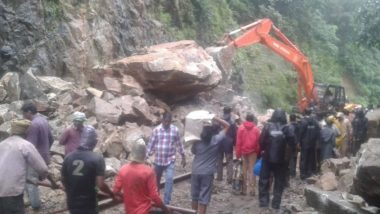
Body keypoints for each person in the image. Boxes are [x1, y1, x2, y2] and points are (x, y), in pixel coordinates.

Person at [61, 126, 114, 214]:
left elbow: (63, 180)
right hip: (89, 203)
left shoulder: (68, 157)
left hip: (72, 202)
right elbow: (100, 185)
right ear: (94, 142)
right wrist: (111, 193)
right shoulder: (97, 159)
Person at [0, 120, 49, 214]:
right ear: (26, 133)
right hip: (12, 191)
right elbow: (42, 168)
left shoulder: (1, 144)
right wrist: (43, 176)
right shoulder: (25, 145)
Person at [113, 139, 171, 214]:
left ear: (132, 153)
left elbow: (115, 191)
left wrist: (127, 197)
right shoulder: (149, 171)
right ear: (144, 154)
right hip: (144, 211)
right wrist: (165, 209)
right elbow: (154, 196)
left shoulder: (123, 169)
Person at [191, 116, 230, 214]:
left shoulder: (197, 142)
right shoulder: (216, 140)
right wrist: (216, 118)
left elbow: (193, 151)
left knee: (194, 197)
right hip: (207, 173)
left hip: (195, 171)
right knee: (203, 199)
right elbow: (227, 126)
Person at [21, 102, 56, 210]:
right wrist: (46, 150)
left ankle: (35, 206)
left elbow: (30, 146)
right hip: (44, 156)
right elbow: (51, 138)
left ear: (29, 112)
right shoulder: (43, 120)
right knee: (41, 177)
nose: (23, 116)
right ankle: (53, 184)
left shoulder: (33, 125)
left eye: (23, 113)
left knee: (31, 181)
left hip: (35, 159)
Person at [146, 112, 186, 205]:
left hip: (170, 160)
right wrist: (146, 156)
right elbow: (150, 144)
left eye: (169, 121)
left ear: (171, 121)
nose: (167, 123)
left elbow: (179, 144)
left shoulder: (175, 130)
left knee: (169, 179)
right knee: (156, 182)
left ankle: (166, 202)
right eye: (165, 121)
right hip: (158, 160)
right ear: (162, 120)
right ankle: (156, 200)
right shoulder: (156, 130)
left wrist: (183, 156)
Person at [258, 108, 292, 209]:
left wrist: (265, 149)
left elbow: (261, 141)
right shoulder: (287, 128)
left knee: (264, 179)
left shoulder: (267, 126)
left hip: (267, 157)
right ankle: (276, 204)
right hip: (282, 159)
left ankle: (263, 202)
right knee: (279, 181)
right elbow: (293, 142)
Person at [235, 113, 261, 196]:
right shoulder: (256, 129)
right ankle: (252, 190)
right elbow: (258, 143)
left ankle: (244, 189)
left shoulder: (241, 128)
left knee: (244, 169)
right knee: (252, 170)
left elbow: (238, 142)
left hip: (243, 151)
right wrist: (257, 151)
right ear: (253, 119)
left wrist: (238, 153)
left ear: (246, 119)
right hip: (252, 152)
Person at [216, 106, 237, 183]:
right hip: (229, 144)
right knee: (229, 161)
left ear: (223, 111)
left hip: (219, 142)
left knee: (219, 160)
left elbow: (216, 131)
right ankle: (229, 179)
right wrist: (235, 144)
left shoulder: (219, 120)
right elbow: (235, 134)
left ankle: (219, 177)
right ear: (230, 112)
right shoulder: (232, 121)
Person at [299, 108, 320, 180]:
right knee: (311, 158)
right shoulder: (315, 122)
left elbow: (300, 133)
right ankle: (309, 172)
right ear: (311, 113)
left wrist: (299, 142)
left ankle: (303, 174)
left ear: (305, 113)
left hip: (305, 144)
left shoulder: (303, 122)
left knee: (304, 159)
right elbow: (318, 132)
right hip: (312, 144)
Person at [286, 114, 299, 179]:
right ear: (295, 119)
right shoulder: (298, 125)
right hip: (297, 144)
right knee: (294, 157)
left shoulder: (288, 126)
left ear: (290, 119)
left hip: (290, 145)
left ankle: (290, 172)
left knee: (289, 158)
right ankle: (293, 172)